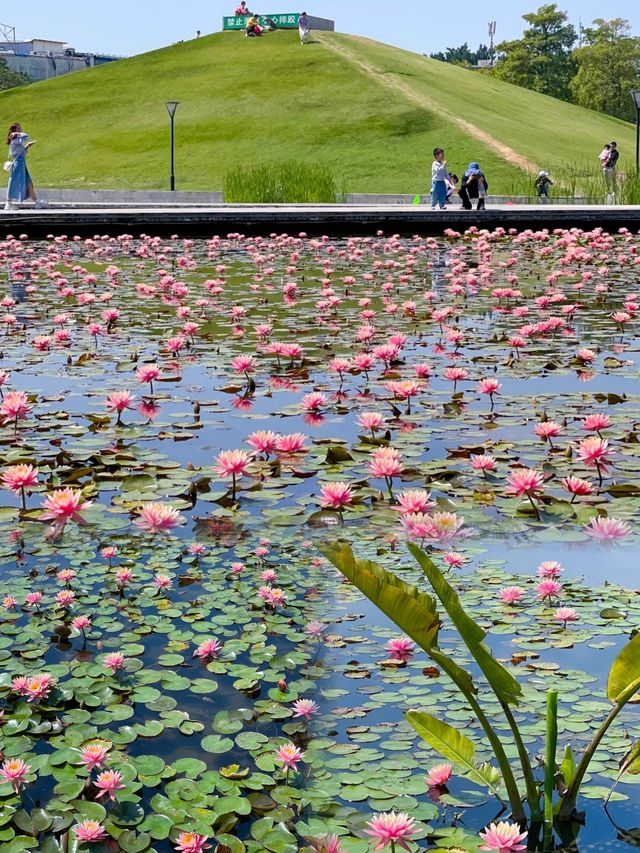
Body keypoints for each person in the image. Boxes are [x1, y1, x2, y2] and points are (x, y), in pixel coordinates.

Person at [5, 123, 45, 210]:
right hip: (18, 164)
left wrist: (27, 146)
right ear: (14, 131)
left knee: (28, 182)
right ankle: (8, 203)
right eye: (18, 129)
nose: (20, 130)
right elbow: (26, 136)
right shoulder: (15, 140)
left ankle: (37, 202)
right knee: (13, 182)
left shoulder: (17, 140)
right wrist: (17, 134)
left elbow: (22, 153)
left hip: (21, 163)